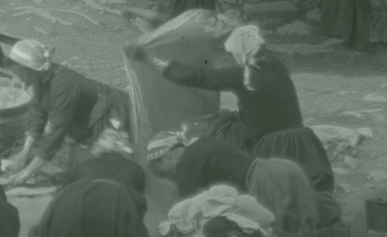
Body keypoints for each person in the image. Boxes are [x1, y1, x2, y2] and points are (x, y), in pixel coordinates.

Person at [125, 25, 302, 151]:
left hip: (269, 143)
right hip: (299, 138)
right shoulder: (277, 65)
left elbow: (195, 76)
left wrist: (148, 58)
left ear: (240, 53)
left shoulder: (243, 75)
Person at [3, 40, 132, 187]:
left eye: (21, 74)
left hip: (108, 111)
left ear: (34, 70)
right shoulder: (40, 79)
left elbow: (58, 132)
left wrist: (28, 172)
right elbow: (38, 114)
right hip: (83, 112)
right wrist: (24, 152)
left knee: (104, 168)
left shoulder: (63, 87)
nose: (20, 79)